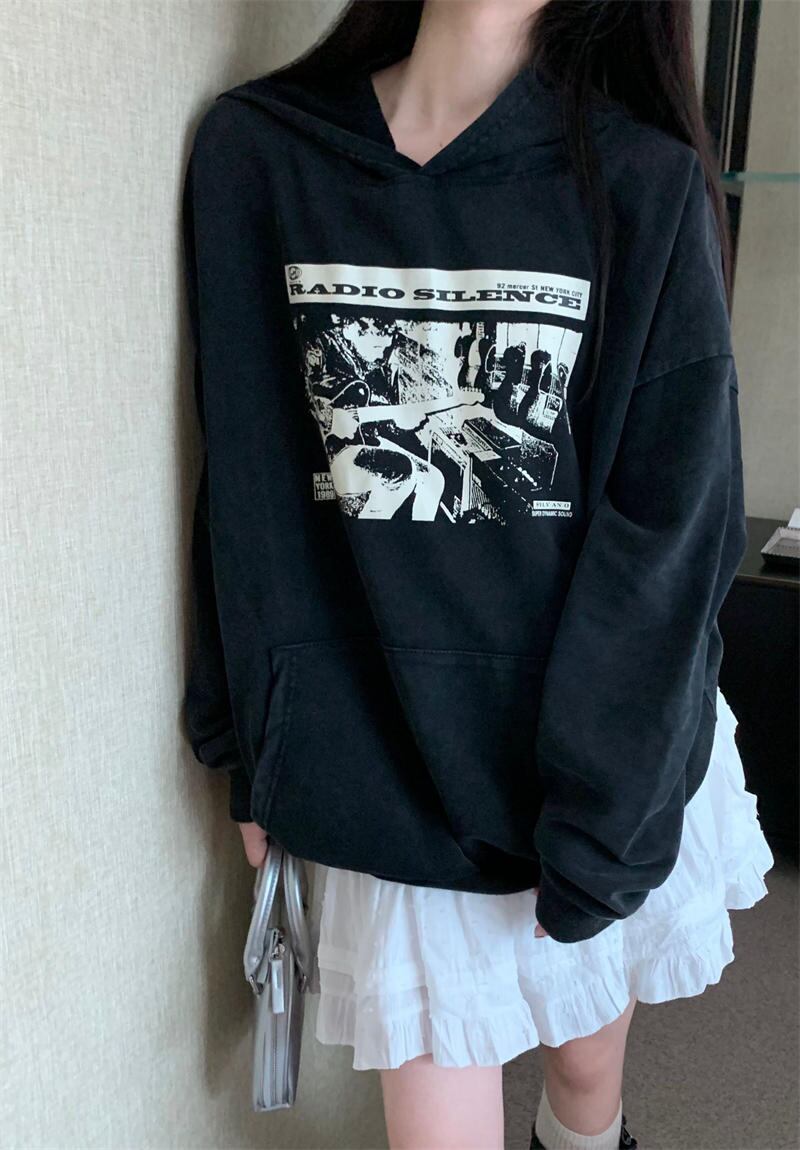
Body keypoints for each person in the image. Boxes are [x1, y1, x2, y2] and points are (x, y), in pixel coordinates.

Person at [180, 2, 776, 1147]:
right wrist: (248, 744)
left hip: (597, 744)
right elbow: (245, 477)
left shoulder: (637, 181)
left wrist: (603, 819)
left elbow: (667, 529)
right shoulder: (261, 153)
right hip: (385, 759)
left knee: (584, 1077)